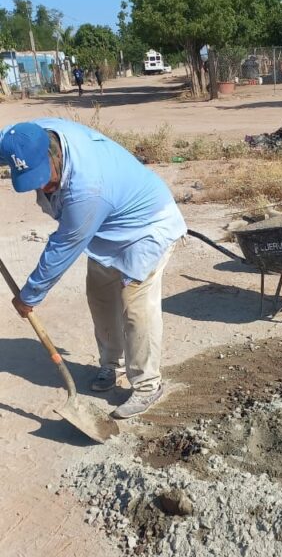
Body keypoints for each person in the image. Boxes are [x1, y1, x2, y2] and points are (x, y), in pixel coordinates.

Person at [0, 119, 187, 418]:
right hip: (105, 231)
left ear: (53, 155)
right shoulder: (26, 138)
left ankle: (147, 385)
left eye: (42, 177)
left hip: (146, 228)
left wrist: (29, 295)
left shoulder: (87, 189)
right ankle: (111, 365)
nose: (41, 188)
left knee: (135, 308)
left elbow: (62, 248)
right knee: (100, 299)